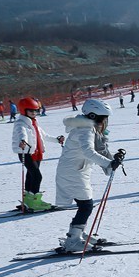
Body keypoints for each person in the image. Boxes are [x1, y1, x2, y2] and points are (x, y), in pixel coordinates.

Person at [54, 99, 124, 252]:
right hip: (72, 173)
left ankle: (78, 234)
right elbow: (88, 152)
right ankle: (73, 240)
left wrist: (112, 161)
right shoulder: (85, 130)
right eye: (102, 118)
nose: (105, 122)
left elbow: (98, 150)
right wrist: (108, 164)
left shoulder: (87, 128)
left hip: (75, 171)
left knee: (84, 205)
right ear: (93, 116)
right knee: (86, 206)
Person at [12, 97, 64, 212]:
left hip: (37, 153)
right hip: (26, 153)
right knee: (37, 176)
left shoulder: (35, 123)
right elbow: (22, 133)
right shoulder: (21, 123)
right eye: (31, 111)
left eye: (36, 111)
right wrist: (23, 141)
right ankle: (34, 201)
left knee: (31, 176)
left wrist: (57, 139)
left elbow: (43, 136)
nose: (34, 113)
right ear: (24, 111)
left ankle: (28, 200)